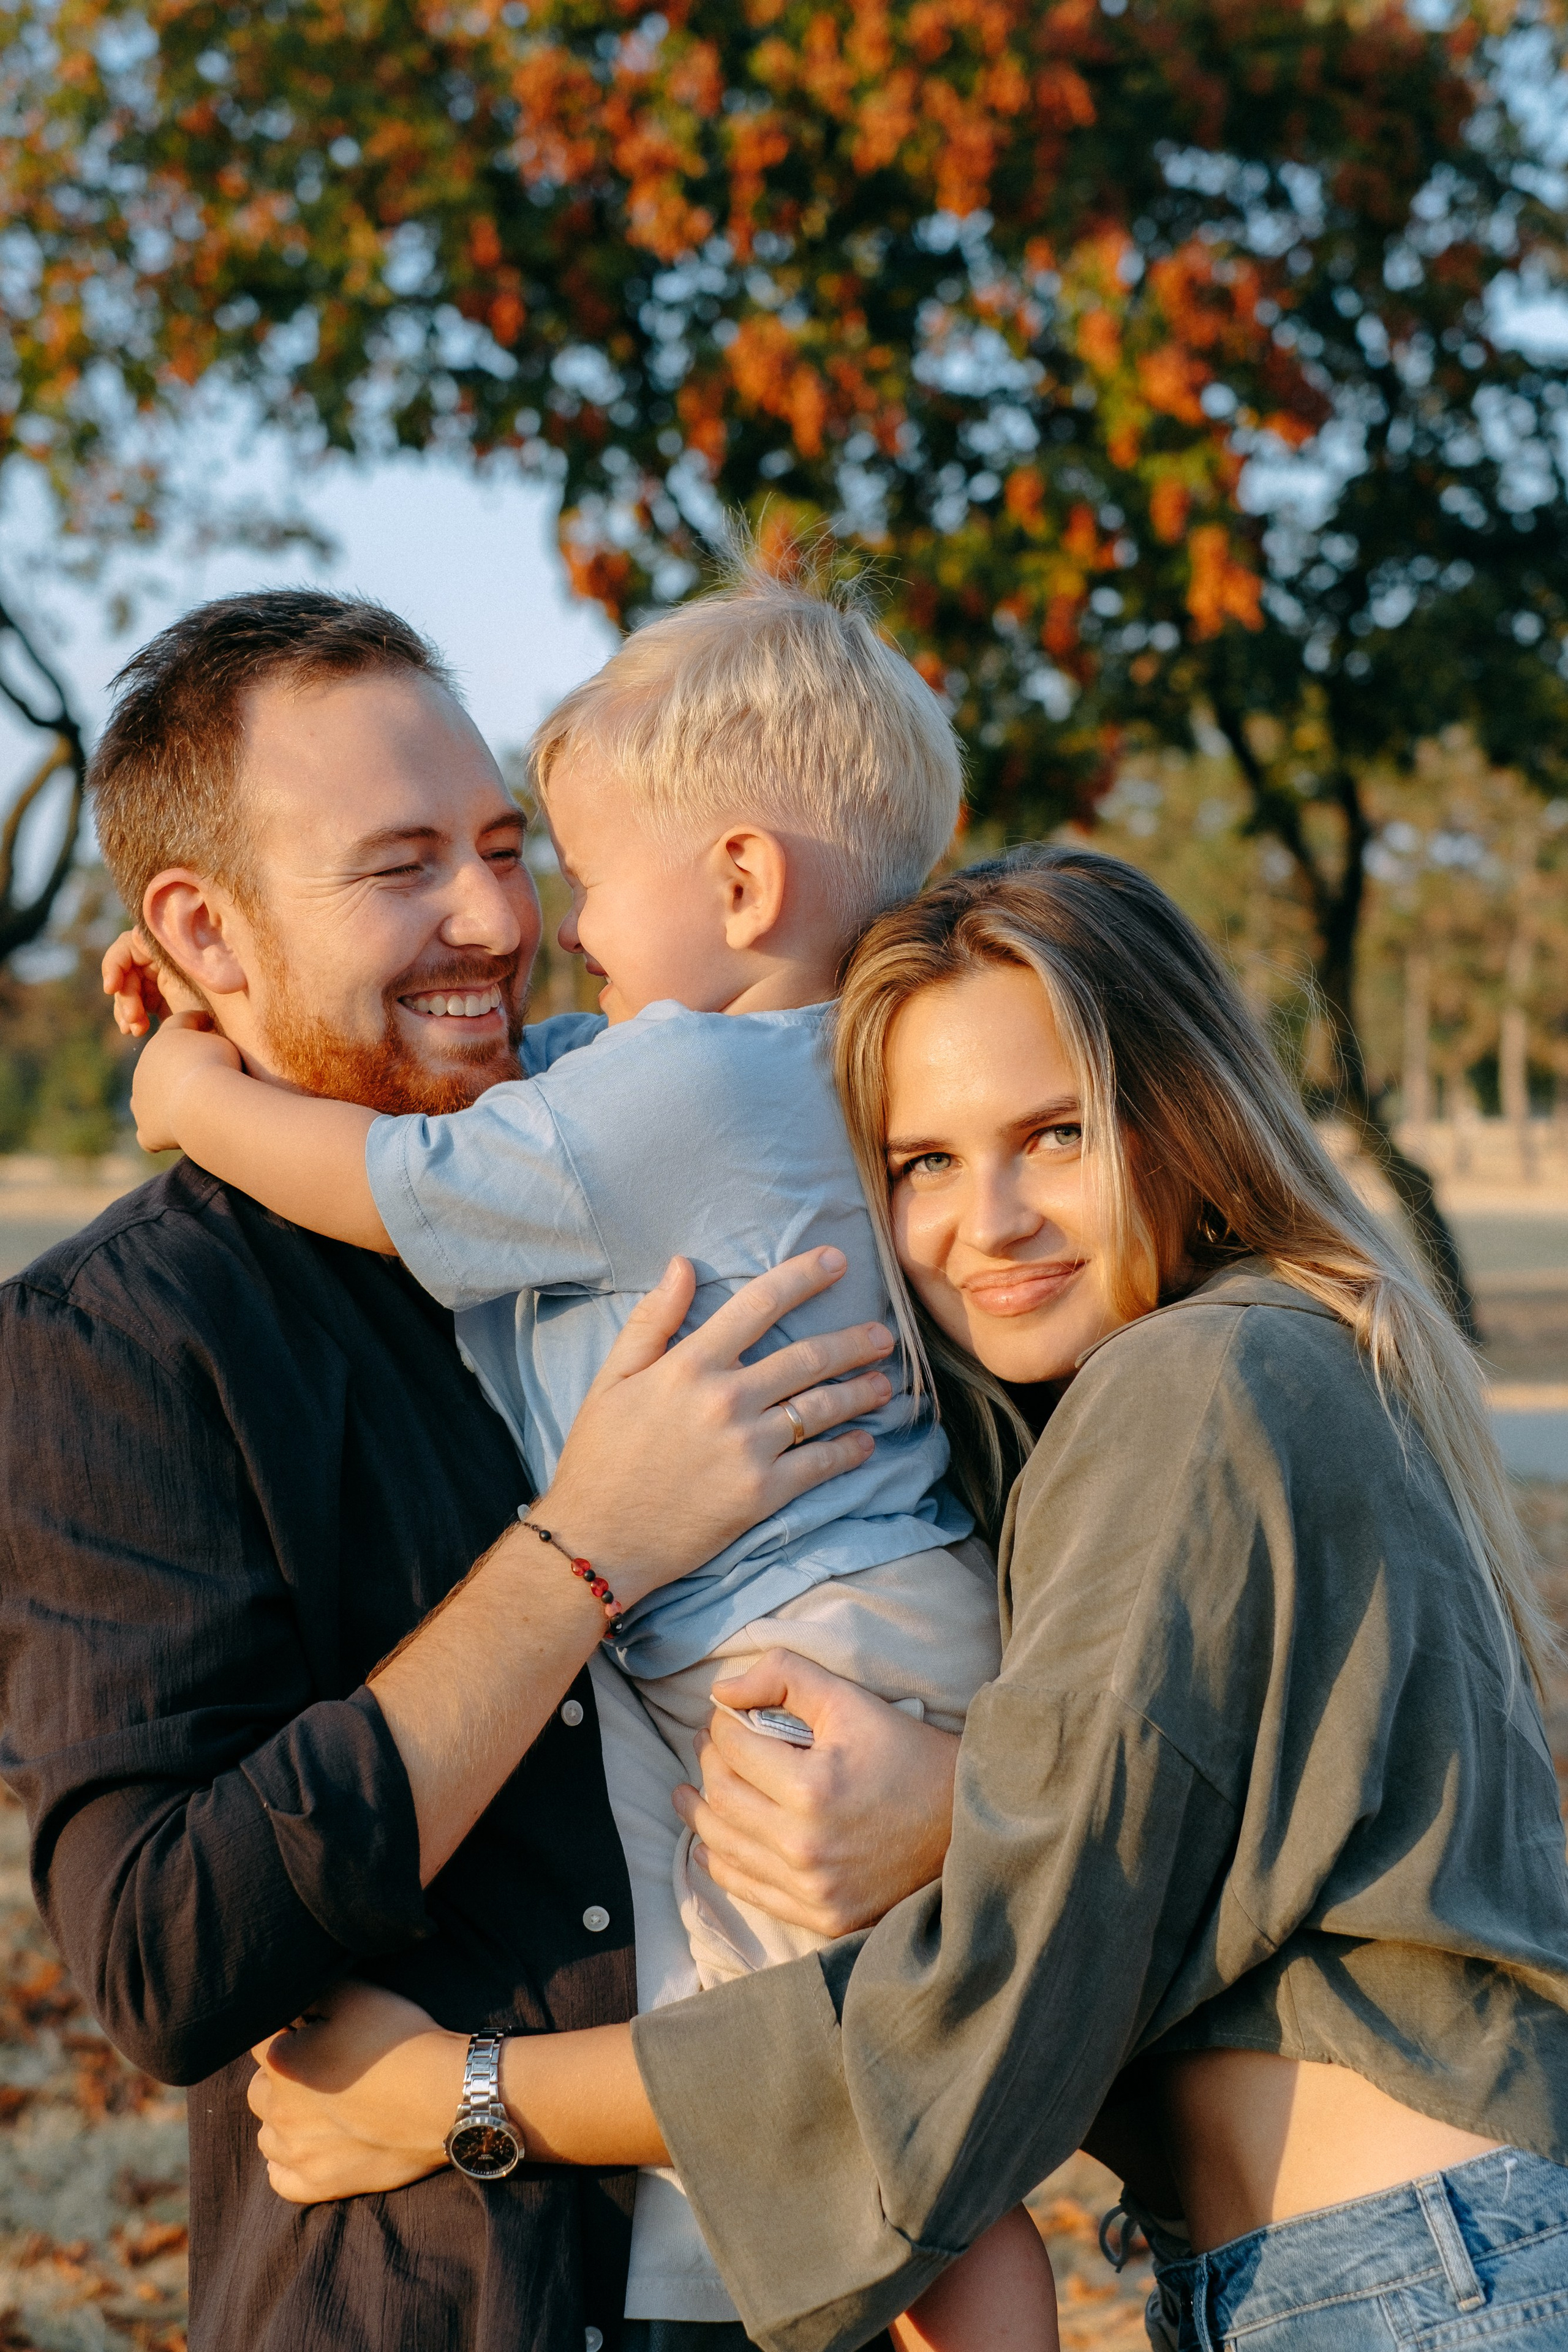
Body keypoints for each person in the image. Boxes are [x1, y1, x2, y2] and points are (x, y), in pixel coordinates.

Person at [243, 846, 1568, 2352]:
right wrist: (965, 1797)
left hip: (1401, 2280)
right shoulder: (1269, 1358)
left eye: (1053, 1134)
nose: (981, 1221)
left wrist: (462, 2098)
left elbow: (1001, 1983)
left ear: (1182, 1106)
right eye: (920, 1163)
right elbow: (1177, 1842)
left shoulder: (1202, 1380)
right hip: (1361, 2266)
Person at [124, 567, 1058, 2352]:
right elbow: (513, 1087)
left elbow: (393, 1188)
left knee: (859, 2103)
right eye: (425, 865)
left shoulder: (684, 1093)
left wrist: (185, 1093)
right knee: (898, 2088)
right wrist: (225, 993)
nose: (537, 918)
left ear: (737, 882)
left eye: (559, 860)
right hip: (889, 1612)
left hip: (797, 1654)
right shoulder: (815, 1065)